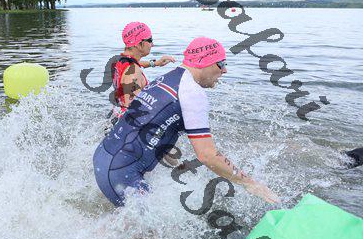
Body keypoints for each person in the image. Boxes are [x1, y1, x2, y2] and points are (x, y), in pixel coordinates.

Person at [93, 36, 279, 207]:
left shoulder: (166, 78)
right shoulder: (192, 93)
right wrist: (250, 184)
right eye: (221, 64)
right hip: (120, 173)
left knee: (129, 223)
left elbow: (147, 125)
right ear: (204, 62)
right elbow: (207, 155)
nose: (225, 70)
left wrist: (170, 157)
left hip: (105, 158)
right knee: (155, 230)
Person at [111, 22, 175, 119]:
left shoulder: (120, 61)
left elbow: (136, 64)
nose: (152, 44)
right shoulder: (133, 74)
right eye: (150, 40)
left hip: (115, 115)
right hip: (126, 124)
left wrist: (155, 63)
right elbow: (133, 111)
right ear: (138, 44)